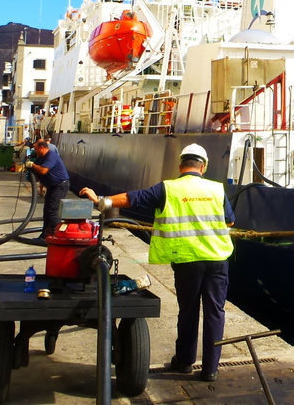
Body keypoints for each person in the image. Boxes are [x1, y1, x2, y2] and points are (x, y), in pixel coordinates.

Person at [79, 143, 234, 382]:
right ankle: (210, 370)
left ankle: (184, 362)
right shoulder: (217, 189)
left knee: (189, 312)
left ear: (181, 166)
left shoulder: (168, 188)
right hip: (217, 260)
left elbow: (132, 199)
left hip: (187, 260)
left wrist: (101, 200)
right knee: (215, 312)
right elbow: (229, 222)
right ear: (203, 166)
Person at [24, 140, 70, 238]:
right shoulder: (40, 159)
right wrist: (29, 170)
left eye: (36, 149)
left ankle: (55, 235)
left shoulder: (51, 156)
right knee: (47, 211)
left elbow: (43, 170)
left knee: (53, 210)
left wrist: (32, 165)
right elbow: (36, 178)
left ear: (42, 147)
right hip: (52, 186)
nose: (35, 151)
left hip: (60, 186)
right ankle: (45, 235)